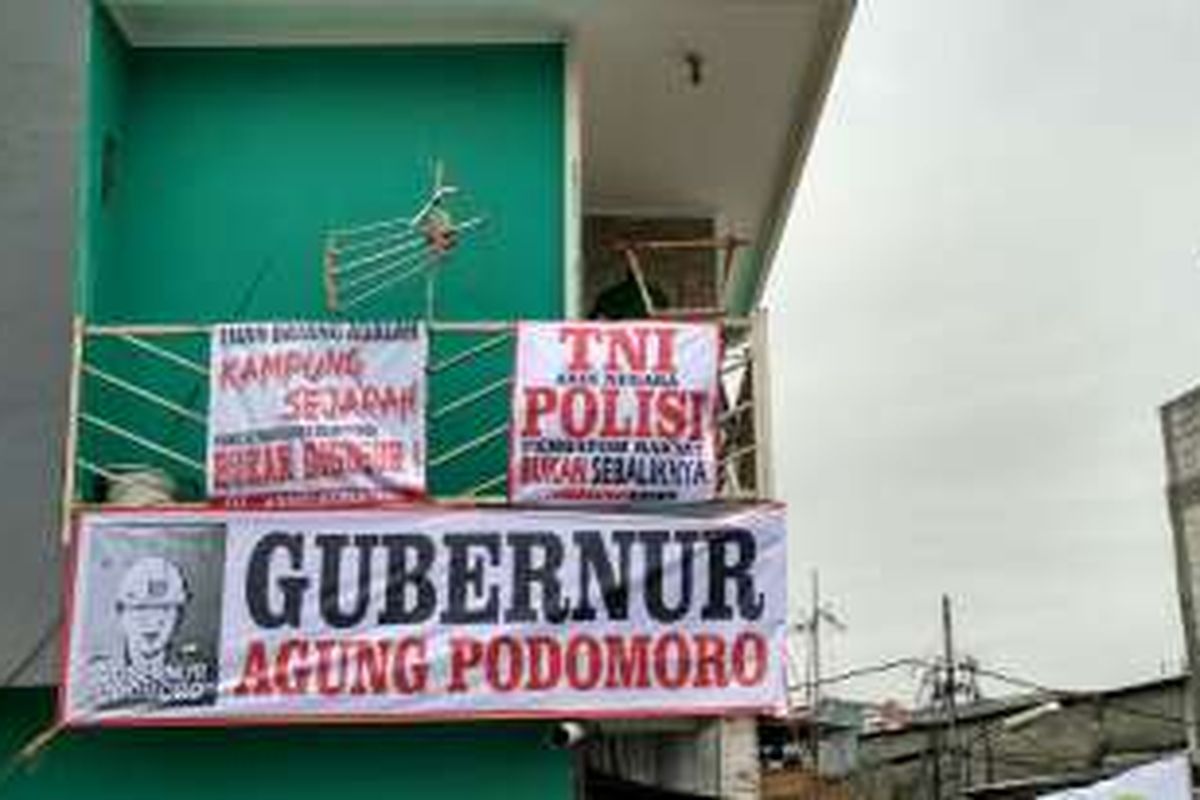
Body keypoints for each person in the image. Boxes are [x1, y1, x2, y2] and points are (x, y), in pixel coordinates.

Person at [86, 556, 213, 710]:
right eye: (140, 608)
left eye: (165, 609)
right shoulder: (97, 677)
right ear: (121, 613)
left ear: (180, 617)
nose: (153, 622)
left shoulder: (199, 674)